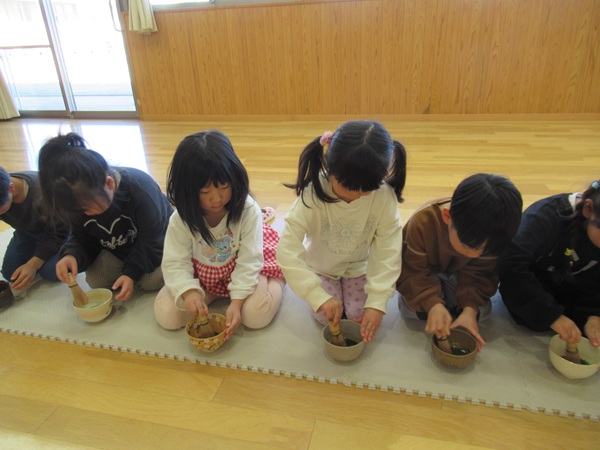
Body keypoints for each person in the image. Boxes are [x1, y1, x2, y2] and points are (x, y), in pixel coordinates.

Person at [277, 120, 406, 343]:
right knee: (324, 316)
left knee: (358, 314)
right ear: (330, 167)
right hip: (321, 267)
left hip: (358, 267)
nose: (354, 195)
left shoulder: (384, 197)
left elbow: (388, 252)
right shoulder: (313, 194)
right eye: (347, 187)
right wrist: (316, 295)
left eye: (365, 191)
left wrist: (377, 303)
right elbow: (287, 250)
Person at [154, 130, 285, 340]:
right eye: (205, 192)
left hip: (242, 268)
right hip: (203, 277)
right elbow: (175, 262)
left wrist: (237, 302)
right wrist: (189, 292)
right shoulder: (181, 219)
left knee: (255, 317)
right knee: (167, 316)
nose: (216, 198)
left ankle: (275, 281)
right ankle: (212, 295)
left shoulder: (247, 210)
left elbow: (249, 260)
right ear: (187, 190)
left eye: (224, 186)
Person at [37, 133, 173, 301]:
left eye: (87, 208)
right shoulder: (77, 202)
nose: (85, 214)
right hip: (118, 249)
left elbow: (153, 240)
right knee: (97, 281)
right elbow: (81, 237)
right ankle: (129, 270)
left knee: (151, 281)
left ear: (109, 183)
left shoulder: (140, 190)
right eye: (80, 211)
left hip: (155, 245)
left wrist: (131, 273)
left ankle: (133, 271)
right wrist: (71, 255)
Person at [397, 173, 523, 351]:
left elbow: (482, 275)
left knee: (483, 312)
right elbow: (412, 270)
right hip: (428, 272)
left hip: (461, 275)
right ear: (447, 217)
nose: (476, 254)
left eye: (484, 250)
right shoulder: (423, 223)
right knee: (411, 309)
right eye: (468, 246)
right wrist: (432, 304)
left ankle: (456, 307)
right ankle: (442, 304)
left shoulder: (495, 234)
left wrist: (470, 310)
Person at [499, 180, 600, 348]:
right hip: (534, 283)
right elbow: (510, 265)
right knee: (535, 321)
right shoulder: (544, 217)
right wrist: (551, 315)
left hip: (573, 285)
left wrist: (593, 315)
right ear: (588, 209)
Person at [0, 167, 68, 297]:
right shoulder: (3, 187)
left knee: (51, 272)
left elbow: (60, 232)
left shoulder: (44, 193)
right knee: (10, 273)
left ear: (11, 188)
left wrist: (33, 264)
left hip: (60, 231)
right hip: (26, 231)